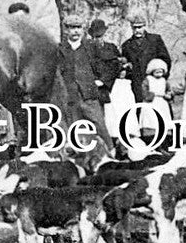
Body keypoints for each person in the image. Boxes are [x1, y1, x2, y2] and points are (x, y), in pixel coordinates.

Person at [57, 15, 112, 152]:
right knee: (73, 129)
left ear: (83, 30)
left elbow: (110, 65)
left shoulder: (92, 47)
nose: (75, 31)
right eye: (72, 28)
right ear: (66, 30)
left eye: (78, 28)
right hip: (69, 97)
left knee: (99, 125)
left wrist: (102, 81)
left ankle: (111, 153)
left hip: (89, 96)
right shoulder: (60, 49)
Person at [120, 14, 171, 103]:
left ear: (144, 26)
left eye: (139, 27)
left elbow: (166, 60)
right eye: (134, 28)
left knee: (159, 110)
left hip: (155, 82)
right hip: (137, 85)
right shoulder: (126, 45)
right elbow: (125, 66)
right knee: (140, 111)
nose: (137, 30)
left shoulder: (155, 40)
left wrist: (161, 79)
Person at [87, 19, 123, 109]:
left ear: (104, 34)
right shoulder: (87, 49)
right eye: (95, 36)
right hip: (92, 87)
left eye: (100, 36)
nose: (97, 39)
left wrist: (103, 81)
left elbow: (116, 66)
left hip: (108, 86)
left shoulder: (111, 48)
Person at [140, 59, 174, 141]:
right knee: (151, 119)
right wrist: (151, 95)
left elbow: (169, 90)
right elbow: (144, 91)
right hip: (151, 103)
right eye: (157, 72)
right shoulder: (148, 79)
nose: (159, 74)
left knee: (163, 119)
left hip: (162, 103)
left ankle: (164, 138)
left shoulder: (164, 81)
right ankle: (150, 136)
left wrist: (168, 95)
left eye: (161, 72)